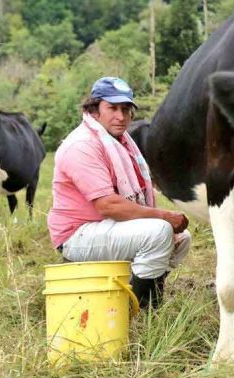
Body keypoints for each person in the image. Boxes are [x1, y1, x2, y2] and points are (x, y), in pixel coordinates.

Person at [48, 76, 191, 308]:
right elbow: (108, 205)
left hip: (105, 227)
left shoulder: (120, 142)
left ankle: (145, 292)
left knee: (181, 238)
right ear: (95, 110)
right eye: (112, 108)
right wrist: (163, 216)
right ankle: (137, 310)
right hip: (77, 235)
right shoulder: (83, 145)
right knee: (159, 232)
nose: (121, 116)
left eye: (126, 109)